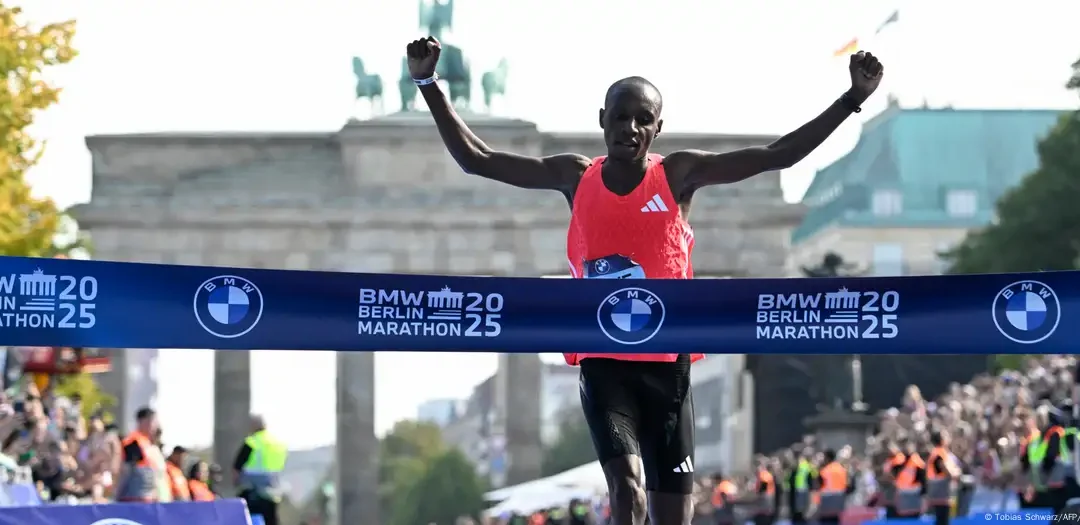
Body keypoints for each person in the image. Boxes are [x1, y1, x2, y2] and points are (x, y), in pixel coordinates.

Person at [405, 35, 883, 525]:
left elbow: (777, 155)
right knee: (627, 491)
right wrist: (428, 83)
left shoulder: (678, 175)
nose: (628, 128)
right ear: (602, 120)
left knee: (674, 514)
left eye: (642, 120)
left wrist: (851, 100)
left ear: (657, 128)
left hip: (667, 369)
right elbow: (478, 160)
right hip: (603, 362)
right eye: (619, 116)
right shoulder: (576, 177)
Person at [233, 414, 288, 525]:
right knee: (271, 520)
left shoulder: (252, 442)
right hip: (273, 490)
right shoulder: (278, 443)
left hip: (252, 490)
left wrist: (236, 482)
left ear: (253, 426)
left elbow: (237, 466)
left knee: (245, 519)